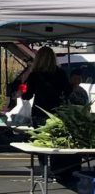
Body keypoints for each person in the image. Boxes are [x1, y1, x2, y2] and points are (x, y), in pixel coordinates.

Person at [22, 46, 72, 179]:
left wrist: (22, 92)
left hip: (39, 111)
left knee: (41, 141)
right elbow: (67, 91)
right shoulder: (60, 73)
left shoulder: (35, 75)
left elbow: (27, 95)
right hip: (56, 111)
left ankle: (44, 169)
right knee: (55, 140)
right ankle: (58, 170)